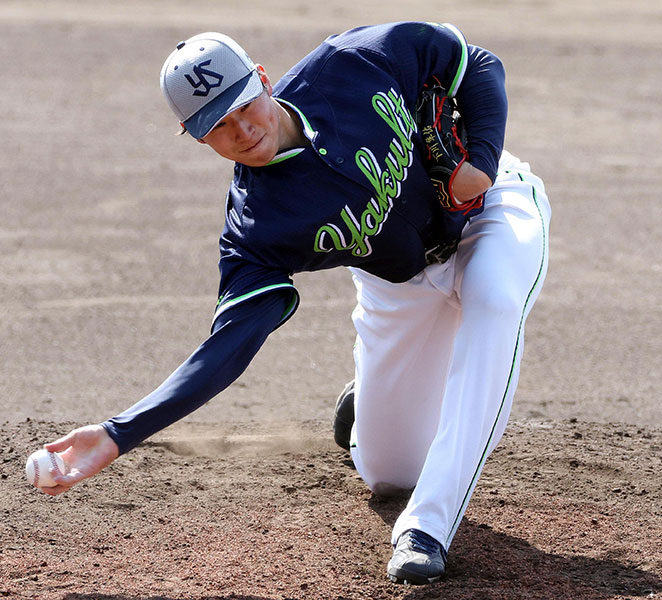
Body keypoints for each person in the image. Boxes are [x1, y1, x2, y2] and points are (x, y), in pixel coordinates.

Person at [40, 22, 551, 585]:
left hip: (491, 212)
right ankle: (370, 407)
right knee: (389, 472)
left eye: (242, 104)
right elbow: (228, 346)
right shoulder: (256, 230)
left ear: (261, 78)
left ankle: (426, 527)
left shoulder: (352, 62)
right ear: (193, 135)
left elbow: (475, 62)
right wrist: (120, 433)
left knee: (495, 302)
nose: (242, 130)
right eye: (218, 125)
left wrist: (479, 157)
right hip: (397, 282)